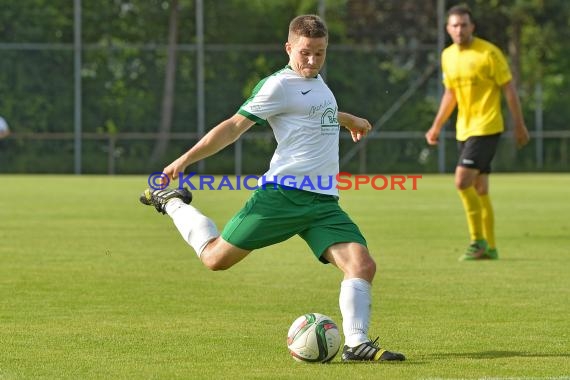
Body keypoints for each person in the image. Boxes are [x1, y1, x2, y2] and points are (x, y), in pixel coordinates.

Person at [140, 14, 405, 362]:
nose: (312, 61)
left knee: (362, 265)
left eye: (320, 53)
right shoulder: (277, 86)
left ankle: (356, 344)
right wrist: (185, 160)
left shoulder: (318, 81)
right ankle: (173, 202)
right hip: (281, 196)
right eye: (305, 53)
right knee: (215, 259)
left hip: (323, 201)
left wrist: (348, 118)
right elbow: (233, 126)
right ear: (289, 48)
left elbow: (314, 109)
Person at [425, 5, 530, 261]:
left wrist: (519, 124)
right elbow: (450, 94)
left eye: (464, 25)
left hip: (487, 126)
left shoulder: (489, 53)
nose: (459, 30)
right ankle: (491, 247)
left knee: (462, 181)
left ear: (472, 27)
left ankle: (477, 241)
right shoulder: (447, 56)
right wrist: (436, 125)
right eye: (454, 25)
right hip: (464, 129)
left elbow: (509, 89)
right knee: (480, 188)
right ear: (448, 29)